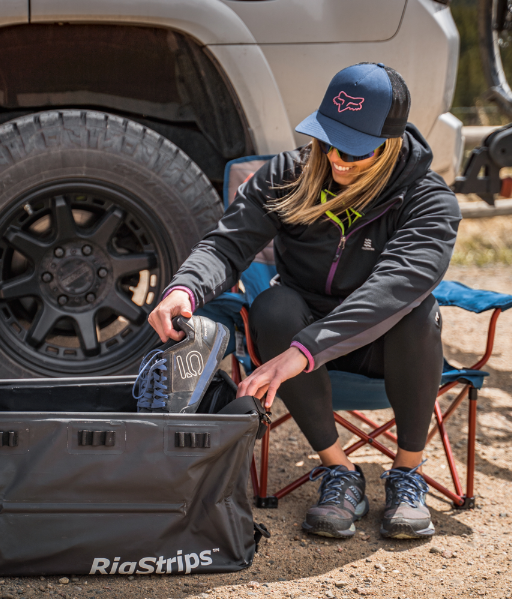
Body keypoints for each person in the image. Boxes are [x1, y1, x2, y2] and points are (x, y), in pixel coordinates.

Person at [148, 63, 462, 540]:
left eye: (357, 150)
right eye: (329, 138)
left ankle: (407, 474)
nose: (337, 158)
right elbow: (227, 243)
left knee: (419, 314)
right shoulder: (290, 174)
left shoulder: (427, 200)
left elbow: (393, 288)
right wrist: (184, 289)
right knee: (272, 307)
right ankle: (339, 471)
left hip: (383, 343)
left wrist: (305, 350)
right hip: (302, 329)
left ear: (391, 143)